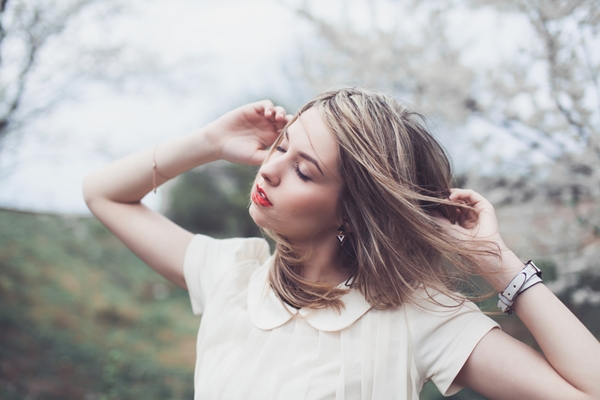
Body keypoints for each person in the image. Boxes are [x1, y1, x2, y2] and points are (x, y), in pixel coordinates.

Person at [83, 88, 600, 399]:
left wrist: (496, 262)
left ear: (352, 212)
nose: (271, 168)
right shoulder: (231, 275)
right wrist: (209, 143)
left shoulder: (419, 318)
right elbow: (103, 193)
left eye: (303, 171)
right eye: (280, 146)